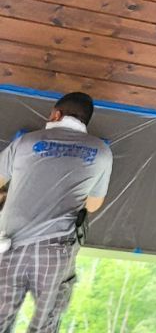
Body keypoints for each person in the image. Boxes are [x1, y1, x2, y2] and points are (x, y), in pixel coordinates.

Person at [0, 93, 112, 333]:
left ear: (56, 114)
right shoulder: (101, 152)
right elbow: (93, 205)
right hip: (57, 249)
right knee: (45, 323)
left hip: (12, 245)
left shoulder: (26, 142)